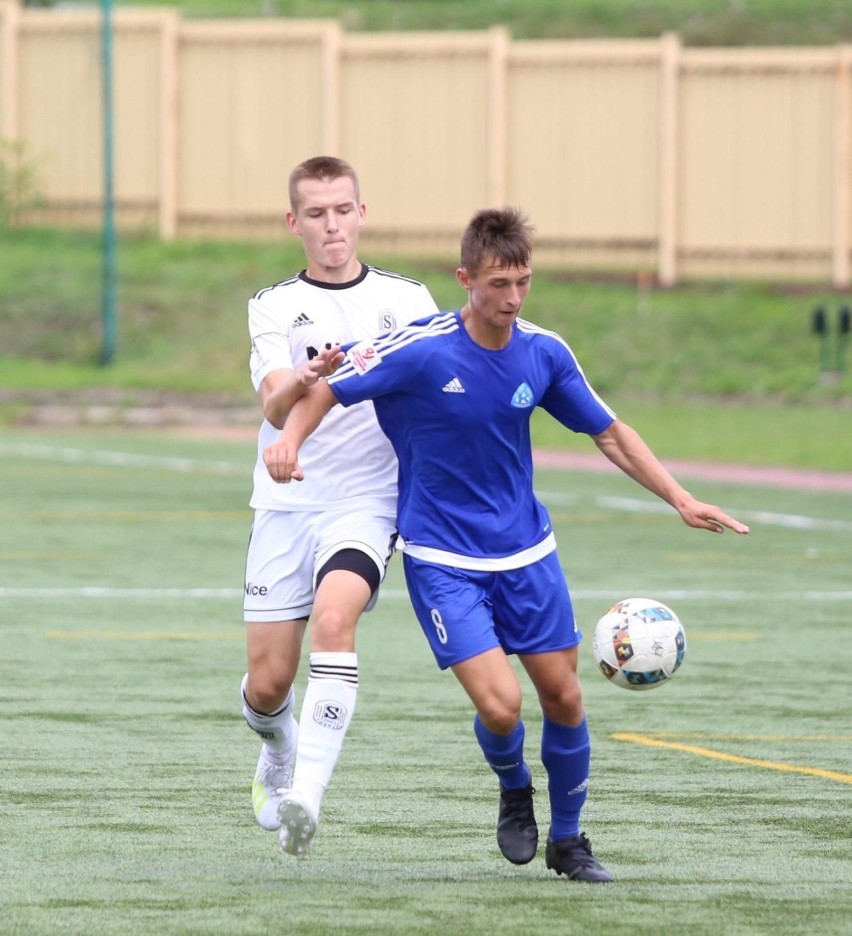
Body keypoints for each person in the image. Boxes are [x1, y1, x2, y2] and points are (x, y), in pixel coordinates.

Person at [263, 206, 750, 881]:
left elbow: (608, 431)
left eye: (522, 282)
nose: (513, 298)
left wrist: (682, 498)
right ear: (466, 278)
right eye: (498, 284)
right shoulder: (419, 347)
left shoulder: (543, 350)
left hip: (527, 555)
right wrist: (289, 438)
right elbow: (328, 391)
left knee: (566, 698)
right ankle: (514, 787)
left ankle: (570, 841)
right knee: (501, 706)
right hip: (442, 559)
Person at [241, 155, 440, 857]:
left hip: (367, 500)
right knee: (267, 685)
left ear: (363, 214)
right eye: (317, 213)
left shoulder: (409, 300)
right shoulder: (273, 305)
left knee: (335, 618)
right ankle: (278, 748)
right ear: (295, 222)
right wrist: (307, 373)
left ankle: (307, 796)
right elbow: (271, 401)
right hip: (288, 503)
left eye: (343, 210)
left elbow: (436, 385)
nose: (332, 225)